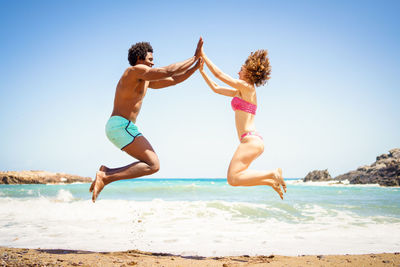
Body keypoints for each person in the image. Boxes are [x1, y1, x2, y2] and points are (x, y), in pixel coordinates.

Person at [90, 38, 203, 202]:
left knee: (152, 165)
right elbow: (168, 71)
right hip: (120, 126)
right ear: (139, 60)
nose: (152, 63)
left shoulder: (144, 80)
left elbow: (173, 80)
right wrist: (194, 57)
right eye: (150, 60)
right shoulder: (133, 71)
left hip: (123, 127)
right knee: (153, 164)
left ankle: (106, 173)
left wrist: (195, 67)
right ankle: (106, 176)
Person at [199, 46, 287, 199]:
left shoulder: (247, 87)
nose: (238, 72)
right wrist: (202, 71)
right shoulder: (241, 91)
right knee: (235, 178)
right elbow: (216, 88)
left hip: (250, 140)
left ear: (249, 71)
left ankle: (272, 174)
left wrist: (203, 55)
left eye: (240, 69)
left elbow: (219, 75)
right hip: (252, 140)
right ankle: (269, 181)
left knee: (232, 178)